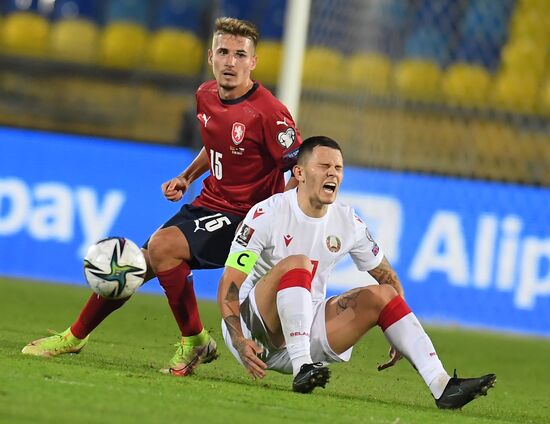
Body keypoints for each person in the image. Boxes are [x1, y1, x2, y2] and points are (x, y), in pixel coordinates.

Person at [22, 17, 302, 377]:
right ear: (210, 56)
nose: (230, 61)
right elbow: (218, 144)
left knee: (163, 247)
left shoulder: (269, 112)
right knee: (134, 264)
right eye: (223, 52)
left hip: (246, 219)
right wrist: (186, 177)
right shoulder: (205, 95)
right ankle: (75, 336)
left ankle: (195, 341)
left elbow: (298, 167)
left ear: (253, 62)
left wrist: (278, 215)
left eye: (239, 54)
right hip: (209, 203)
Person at [217, 136, 496, 408]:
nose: (332, 174)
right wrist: (239, 341)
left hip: (304, 330)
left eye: (338, 168)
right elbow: (230, 283)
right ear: (299, 173)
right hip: (253, 330)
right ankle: (303, 367)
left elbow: (388, 278)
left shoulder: (348, 221)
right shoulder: (267, 214)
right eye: (323, 166)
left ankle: (442, 384)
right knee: (298, 263)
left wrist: (399, 333)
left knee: (384, 294)